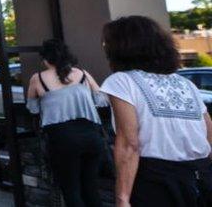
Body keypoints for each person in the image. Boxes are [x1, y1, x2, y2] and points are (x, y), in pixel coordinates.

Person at [99, 15, 212, 207]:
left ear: (121, 47)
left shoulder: (121, 81)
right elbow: (209, 134)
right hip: (201, 178)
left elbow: (129, 144)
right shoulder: (184, 84)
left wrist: (122, 198)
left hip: (156, 182)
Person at [26, 39, 108, 207]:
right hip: (92, 136)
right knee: (91, 189)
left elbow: (32, 108)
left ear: (45, 59)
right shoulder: (82, 74)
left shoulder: (38, 78)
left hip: (62, 139)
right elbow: (102, 99)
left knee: (71, 191)